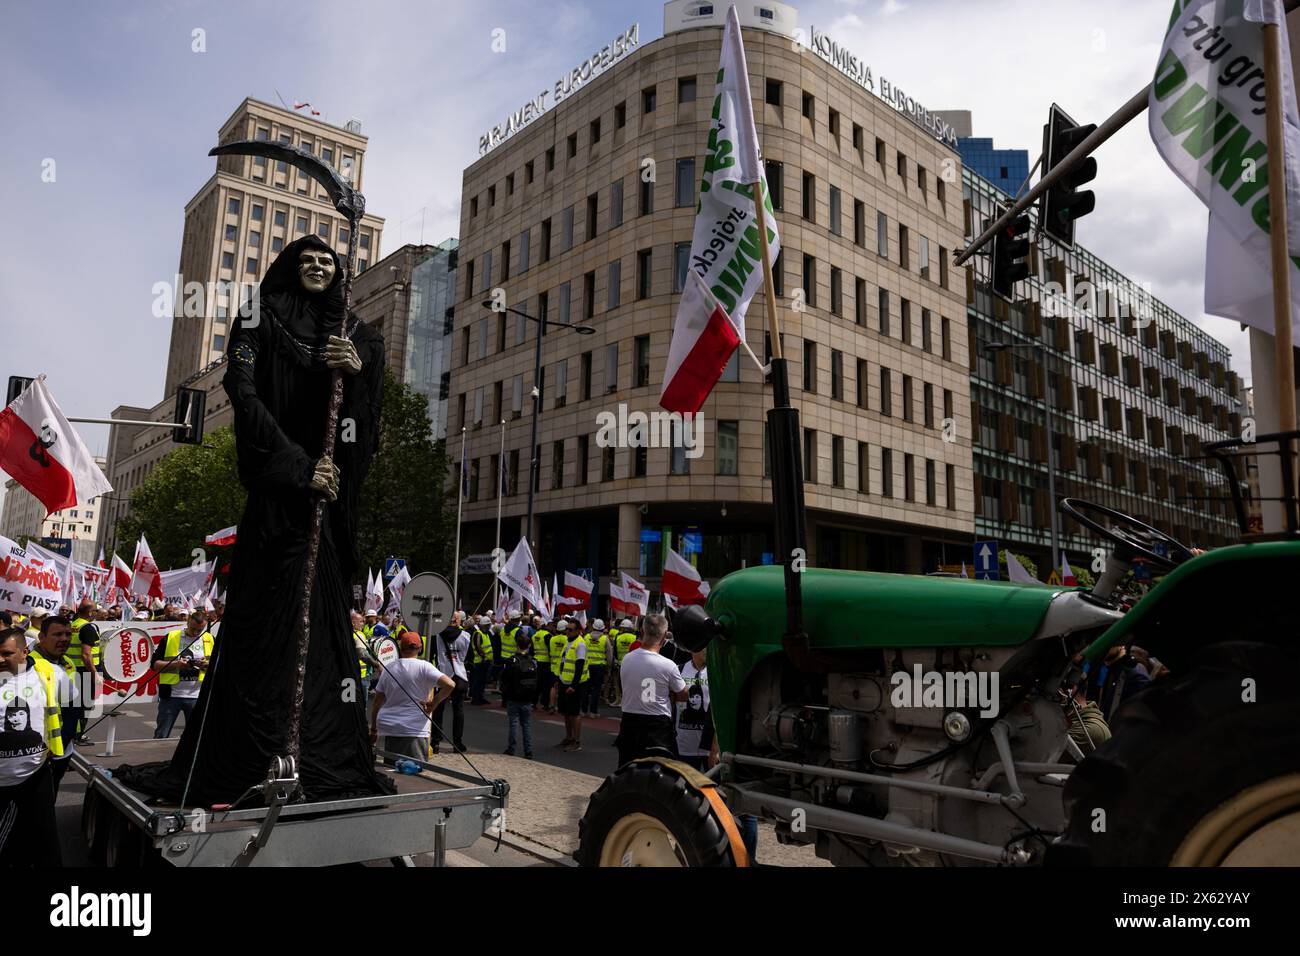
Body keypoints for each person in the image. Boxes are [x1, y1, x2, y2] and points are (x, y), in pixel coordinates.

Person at [116, 235, 392, 806]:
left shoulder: (357, 335)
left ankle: (318, 751)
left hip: (328, 505)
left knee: (319, 624)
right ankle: (256, 753)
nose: (317, 266)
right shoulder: (256, 316)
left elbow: (365, 429)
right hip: (279, 498)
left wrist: (359, 375)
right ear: (289, 266)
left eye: (329, 261)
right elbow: (242, 392)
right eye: (307, 259)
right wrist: (297, 466)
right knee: (269, 621)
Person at [0, 626, 63, 866]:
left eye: (6, 653)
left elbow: (74, 702)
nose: (0, 659)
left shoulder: (48, 673)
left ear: (24, 651)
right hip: (2, 782)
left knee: (45, 841)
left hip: (36, 777)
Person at [370, 632, 455, 763]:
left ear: (400, 648)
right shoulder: (424, 667)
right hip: (415, 728)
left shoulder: (388, 669)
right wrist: (435, 702)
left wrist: (374, 729)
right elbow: (450, 684)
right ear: (420, 648)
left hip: (389, 728)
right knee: (414, 774)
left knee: (391, 772)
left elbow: (377, 702)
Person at [616, 615, 687, 767]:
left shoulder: (627, 659)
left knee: (627, 768)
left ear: (642, 631)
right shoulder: (668, 665)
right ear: (664, 636)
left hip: (629, 721)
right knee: (660, 769)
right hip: (657, 725)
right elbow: (683, 693)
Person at [27, 617, 77, 793]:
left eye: (67, 634)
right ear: (41, 637)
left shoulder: (68, 663)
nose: (64, 639)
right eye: (57, 634)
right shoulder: (29, 665)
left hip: (63, 750)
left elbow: (72, 706)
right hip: (38, 754)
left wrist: (69, 735)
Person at [151, 609, 214, 739]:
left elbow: (219, 665)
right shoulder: (171, 637)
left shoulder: (210, 639)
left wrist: (208, 665)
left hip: (198, 696)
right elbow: (155, 665)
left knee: (196, 736)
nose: (196, 633)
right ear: (188, 621)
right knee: (162, 734)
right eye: (193, 629)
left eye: (200, 630)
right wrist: (176, 665)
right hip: (171, 696)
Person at [432, 612, 470, 753]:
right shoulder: (466, 636)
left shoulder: (436, 635)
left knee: (438, 708)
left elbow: (431, 655)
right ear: (458, 621)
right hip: (459, 675)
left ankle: (435, 742)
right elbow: (469, 657)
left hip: (442, 675)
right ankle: (457, 743)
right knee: (458, 710)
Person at [675, 648, 717, 772]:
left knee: (713, 788)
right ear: (692, 649)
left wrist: (716, 748)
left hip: (709, 747)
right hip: (684, 744)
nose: (707, 650)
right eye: (703, 647)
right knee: (686, 787)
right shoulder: (679, 670)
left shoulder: (715, 671)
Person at [499, 633, 537, 758]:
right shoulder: (533, 661)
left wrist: (504, 690)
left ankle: (511, 748)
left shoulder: (512, 660)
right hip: (528, 697)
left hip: (514, 696)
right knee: (526, 725)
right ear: (529, 645)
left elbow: (505, 677)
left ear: (517, 645)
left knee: (514, 723)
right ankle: (528, 751)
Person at [68, 599, 100, 744]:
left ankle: (74, 734)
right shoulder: (88, 628)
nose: (97, 613)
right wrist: (95, 675)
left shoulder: (73, 625)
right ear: (89, 612)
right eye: (96, 611)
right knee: (85, 705)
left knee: (75, 704)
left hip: (73, 670)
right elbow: (86, 654)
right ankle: (78, 736)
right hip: (85, 671)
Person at [555, 618, 588, 752]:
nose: (567, 631)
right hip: (564, 681)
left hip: (575, 684)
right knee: (566, 712)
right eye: (566, 629)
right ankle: (568, 738)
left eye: (570, 629)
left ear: (578, 631)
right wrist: (559, 678)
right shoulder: (568, 642)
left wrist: (573, 686)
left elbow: (579, 666)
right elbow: (563, 662)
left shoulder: (580, 644)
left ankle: (577, 741)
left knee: (574, 713)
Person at [350, 610, 380, 711]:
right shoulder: (359, 635)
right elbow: (363, 654)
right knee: (362, 705)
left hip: (347, 676)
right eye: (361, 621)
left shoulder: (344, 634)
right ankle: (360, 725)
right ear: (353, 623)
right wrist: (377, 665)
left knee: (348, 703)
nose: (363, 623)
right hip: (361, 676)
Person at [581, 619, 611, 718]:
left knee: (585, 689)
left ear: (593, 627)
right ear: (603, 628)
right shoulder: (605, 639)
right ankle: (593, 712)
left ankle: (584, 711)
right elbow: (609, 654)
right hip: (599, 667)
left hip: (587, 666)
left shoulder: (586, 637)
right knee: (596, 689)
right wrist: (609, 667)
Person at [468, 615, 493, 705]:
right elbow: (478, 647)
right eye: (488, 625)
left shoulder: (486, 634)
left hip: (485, 661)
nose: (489, 626)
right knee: (477, 681)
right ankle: (476, 698)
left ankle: (480, 697)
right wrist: (483, 656)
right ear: (483, 625)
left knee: (482, 681)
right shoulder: (478, 633)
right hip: (479, 662)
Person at [611, 618, 637, 706]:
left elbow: (614, 651)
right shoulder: (634, 638)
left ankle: (620, 700)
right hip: (632, 664)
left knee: (620, 683)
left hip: (620, 664)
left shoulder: (617, 637)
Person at [547, 619, 570, 713]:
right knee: (563, 687)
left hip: (553, 665)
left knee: (553, 687)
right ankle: (562, 706)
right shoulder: (567, 639)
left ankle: (552, 706)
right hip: (563, 666)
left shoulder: (552, 639)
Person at [530, 615, 551, 709]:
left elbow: (531, 650)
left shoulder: (535, 635)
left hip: (536, 661)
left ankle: (533, 702)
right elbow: (551, 649)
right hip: (546, 662)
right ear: (545, 625)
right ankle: (545, 704)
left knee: (537, 683)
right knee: (546, 684)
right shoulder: (547, 635)